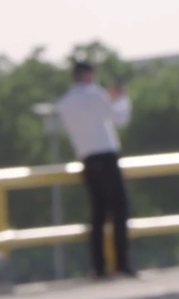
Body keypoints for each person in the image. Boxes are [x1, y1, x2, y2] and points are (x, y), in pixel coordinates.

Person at [55, 60, 136, 278]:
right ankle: (122, 263)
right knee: (120, 209)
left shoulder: (65, 102)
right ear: (89, 75)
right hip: (107, 156)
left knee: (98, 214)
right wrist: (121, 98)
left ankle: (99, 267)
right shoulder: (96, 95)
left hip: (87, 160)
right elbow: (120, 119)